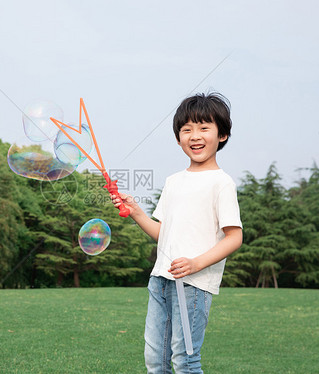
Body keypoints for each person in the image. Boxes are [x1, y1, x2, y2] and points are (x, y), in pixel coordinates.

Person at [111, 92, 243, 373]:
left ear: (222, 135)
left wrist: (196, 263)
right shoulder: (173, 182)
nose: (195, 135)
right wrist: (135, 212)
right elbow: (165, 234)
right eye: (187, 129)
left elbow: (235, 237)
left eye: (204, 127)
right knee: (156, 362)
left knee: (185, 361)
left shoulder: (221, 183)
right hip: (160, 279)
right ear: (178, 138)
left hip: (193, 285)